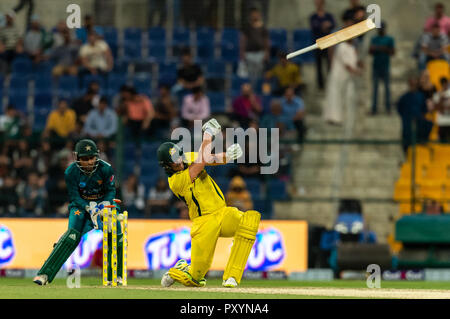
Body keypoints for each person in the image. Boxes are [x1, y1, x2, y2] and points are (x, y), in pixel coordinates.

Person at [158, 118, 261, 288]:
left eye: (178, 156)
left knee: (248, 222)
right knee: (196, 279)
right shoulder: (176, 182)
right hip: (203, 222)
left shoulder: (186, 157)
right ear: (167, 167)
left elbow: (210, 158)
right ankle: (180, 269)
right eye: (173, 161)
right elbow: (201, 162)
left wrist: (227, 156)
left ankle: (232, 276)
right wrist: (207, 135)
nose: (178, 161)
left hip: (222, 212)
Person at [33, 139, 124, 286]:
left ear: (97, 156)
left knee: (116, 233)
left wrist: (103, 206)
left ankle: (116, 276)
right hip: (81, 207)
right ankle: (44, 274)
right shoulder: (71, 172)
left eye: (91, 158)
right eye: (85, 159)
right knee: (72, 236)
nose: (88, 162)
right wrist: (89, 208)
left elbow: (111, 191)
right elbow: (74, 197)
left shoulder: (106, 169)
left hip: (104, 207)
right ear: (77, 158)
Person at [323, 36, 360, 126]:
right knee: (334, 97)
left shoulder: (352, 48)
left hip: (345, 78)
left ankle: (340, 118)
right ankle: (333, 118)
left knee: (342, 98)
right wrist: (357, 72)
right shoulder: (341, 46)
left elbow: (354, 62)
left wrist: (359, 66)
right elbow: (347, 64)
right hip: (337, 76)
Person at [397, 76, 433, 154]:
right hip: (407, 124)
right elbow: (399, 109)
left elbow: (424, 109)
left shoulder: (421, 96)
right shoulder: (404, 98)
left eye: (414, 83)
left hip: (418, 123)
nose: (413, 85)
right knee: (406, 143)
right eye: (411, 84)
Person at [369, 21, 395, 115]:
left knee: (387, 89)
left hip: (385, 66)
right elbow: (370, 50)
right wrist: (383, 48)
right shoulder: (374, 38)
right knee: (375, 89)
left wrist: (378, 48)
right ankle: (374, 109)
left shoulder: (389, 39)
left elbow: (392, 52)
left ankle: (388, 109)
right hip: (376, 66)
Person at [310, 0, 336, 90]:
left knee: (329, 65)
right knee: (319, 67)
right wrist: (324, 25)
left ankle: (330, 84)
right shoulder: (313, 16)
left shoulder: (328, 15)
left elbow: (333, 25)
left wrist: (326, 26)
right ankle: (321, 86)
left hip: (328, 44)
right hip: (318, 44)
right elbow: (315, 27)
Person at [240, 6, 270, 84]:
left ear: (259, 15)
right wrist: (242, 52)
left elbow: (266, 40)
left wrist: (267, 52)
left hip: (260, 53)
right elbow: (243, 40)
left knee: (259, 74)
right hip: (249, 53)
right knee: (250, 74)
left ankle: (257, 90)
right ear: (250, 15)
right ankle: (251, 89)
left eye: (256, 14)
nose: (254, 16)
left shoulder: (263, 27)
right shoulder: (247, 27)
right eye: (253, 14)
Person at [431, 77, 450, 142]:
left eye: (445, 83)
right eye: (443, 84)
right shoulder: (437, 94)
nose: (444, 85)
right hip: (441, 122)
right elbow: (435, 108)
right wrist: (441, 99)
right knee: (442, 143)